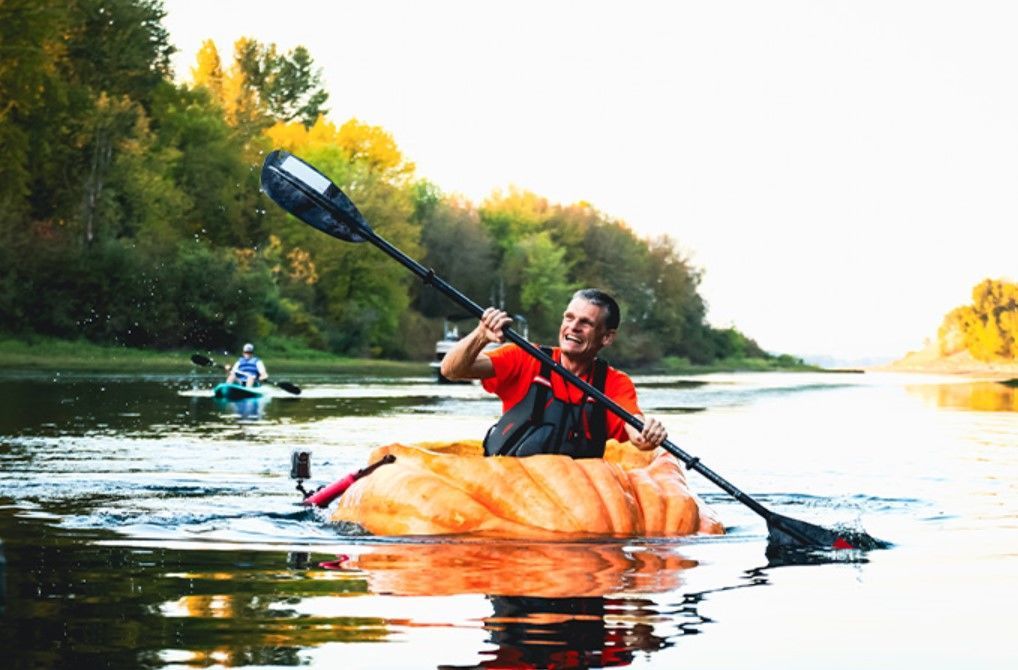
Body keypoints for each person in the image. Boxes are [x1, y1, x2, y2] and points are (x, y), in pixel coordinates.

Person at [440, 288, 667, 458]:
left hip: (570, 499)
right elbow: (451, 370)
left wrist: (648, 434)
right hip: (510, 484)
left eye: (585, 323)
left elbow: (636, 431)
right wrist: (481, 335)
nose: (573, 327)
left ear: (606, 337)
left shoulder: (614, 383)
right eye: (569, 318)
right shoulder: (525, 357)